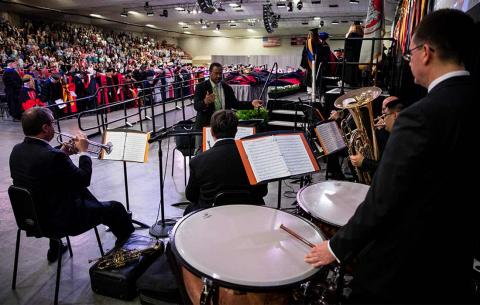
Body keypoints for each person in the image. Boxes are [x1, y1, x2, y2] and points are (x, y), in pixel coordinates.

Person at [305, 9, 478, 303]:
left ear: (426, 52)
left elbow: (382, 201)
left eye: (410, 52)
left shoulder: (420, 117)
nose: (409, 60)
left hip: (407, 271)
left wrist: (335, 248)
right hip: (457, 263)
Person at [9, 107, 134, 263]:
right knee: (116, 209)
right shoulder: (53, 157)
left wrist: (62, 153)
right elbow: (83, 179)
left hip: (34, 218)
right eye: (52, 124)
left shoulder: (16, 150)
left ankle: (55, 245)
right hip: (64, 221)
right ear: (45, 128)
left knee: (46, 196)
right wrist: (84, 152)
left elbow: (42, 172)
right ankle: (127, 247)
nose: (54, 127)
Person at [185, 110, 268, 214]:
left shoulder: (198, 161)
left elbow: (191, 196)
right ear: (236, 130)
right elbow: (262, 192)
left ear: (211, 132)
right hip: (247, 213)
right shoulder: (254, 157)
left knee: (189, 209)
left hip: (211, 215)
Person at [193, 62, 262, 131]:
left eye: (220, 73)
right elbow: (196, 106)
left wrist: (251, 104)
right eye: (216, 73)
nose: (219, 76)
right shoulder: (201, 87)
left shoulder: (227, 87)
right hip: (205, 126)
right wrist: (205, 102)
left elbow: (235, 104)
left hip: (223, 126)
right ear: (210, 73)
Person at [349, 97, 403, 174]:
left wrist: (363, 162)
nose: (383, 118)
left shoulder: (399, 139)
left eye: (384, 115)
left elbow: (389, 169)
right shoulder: (395, 134)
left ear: (395, 115)